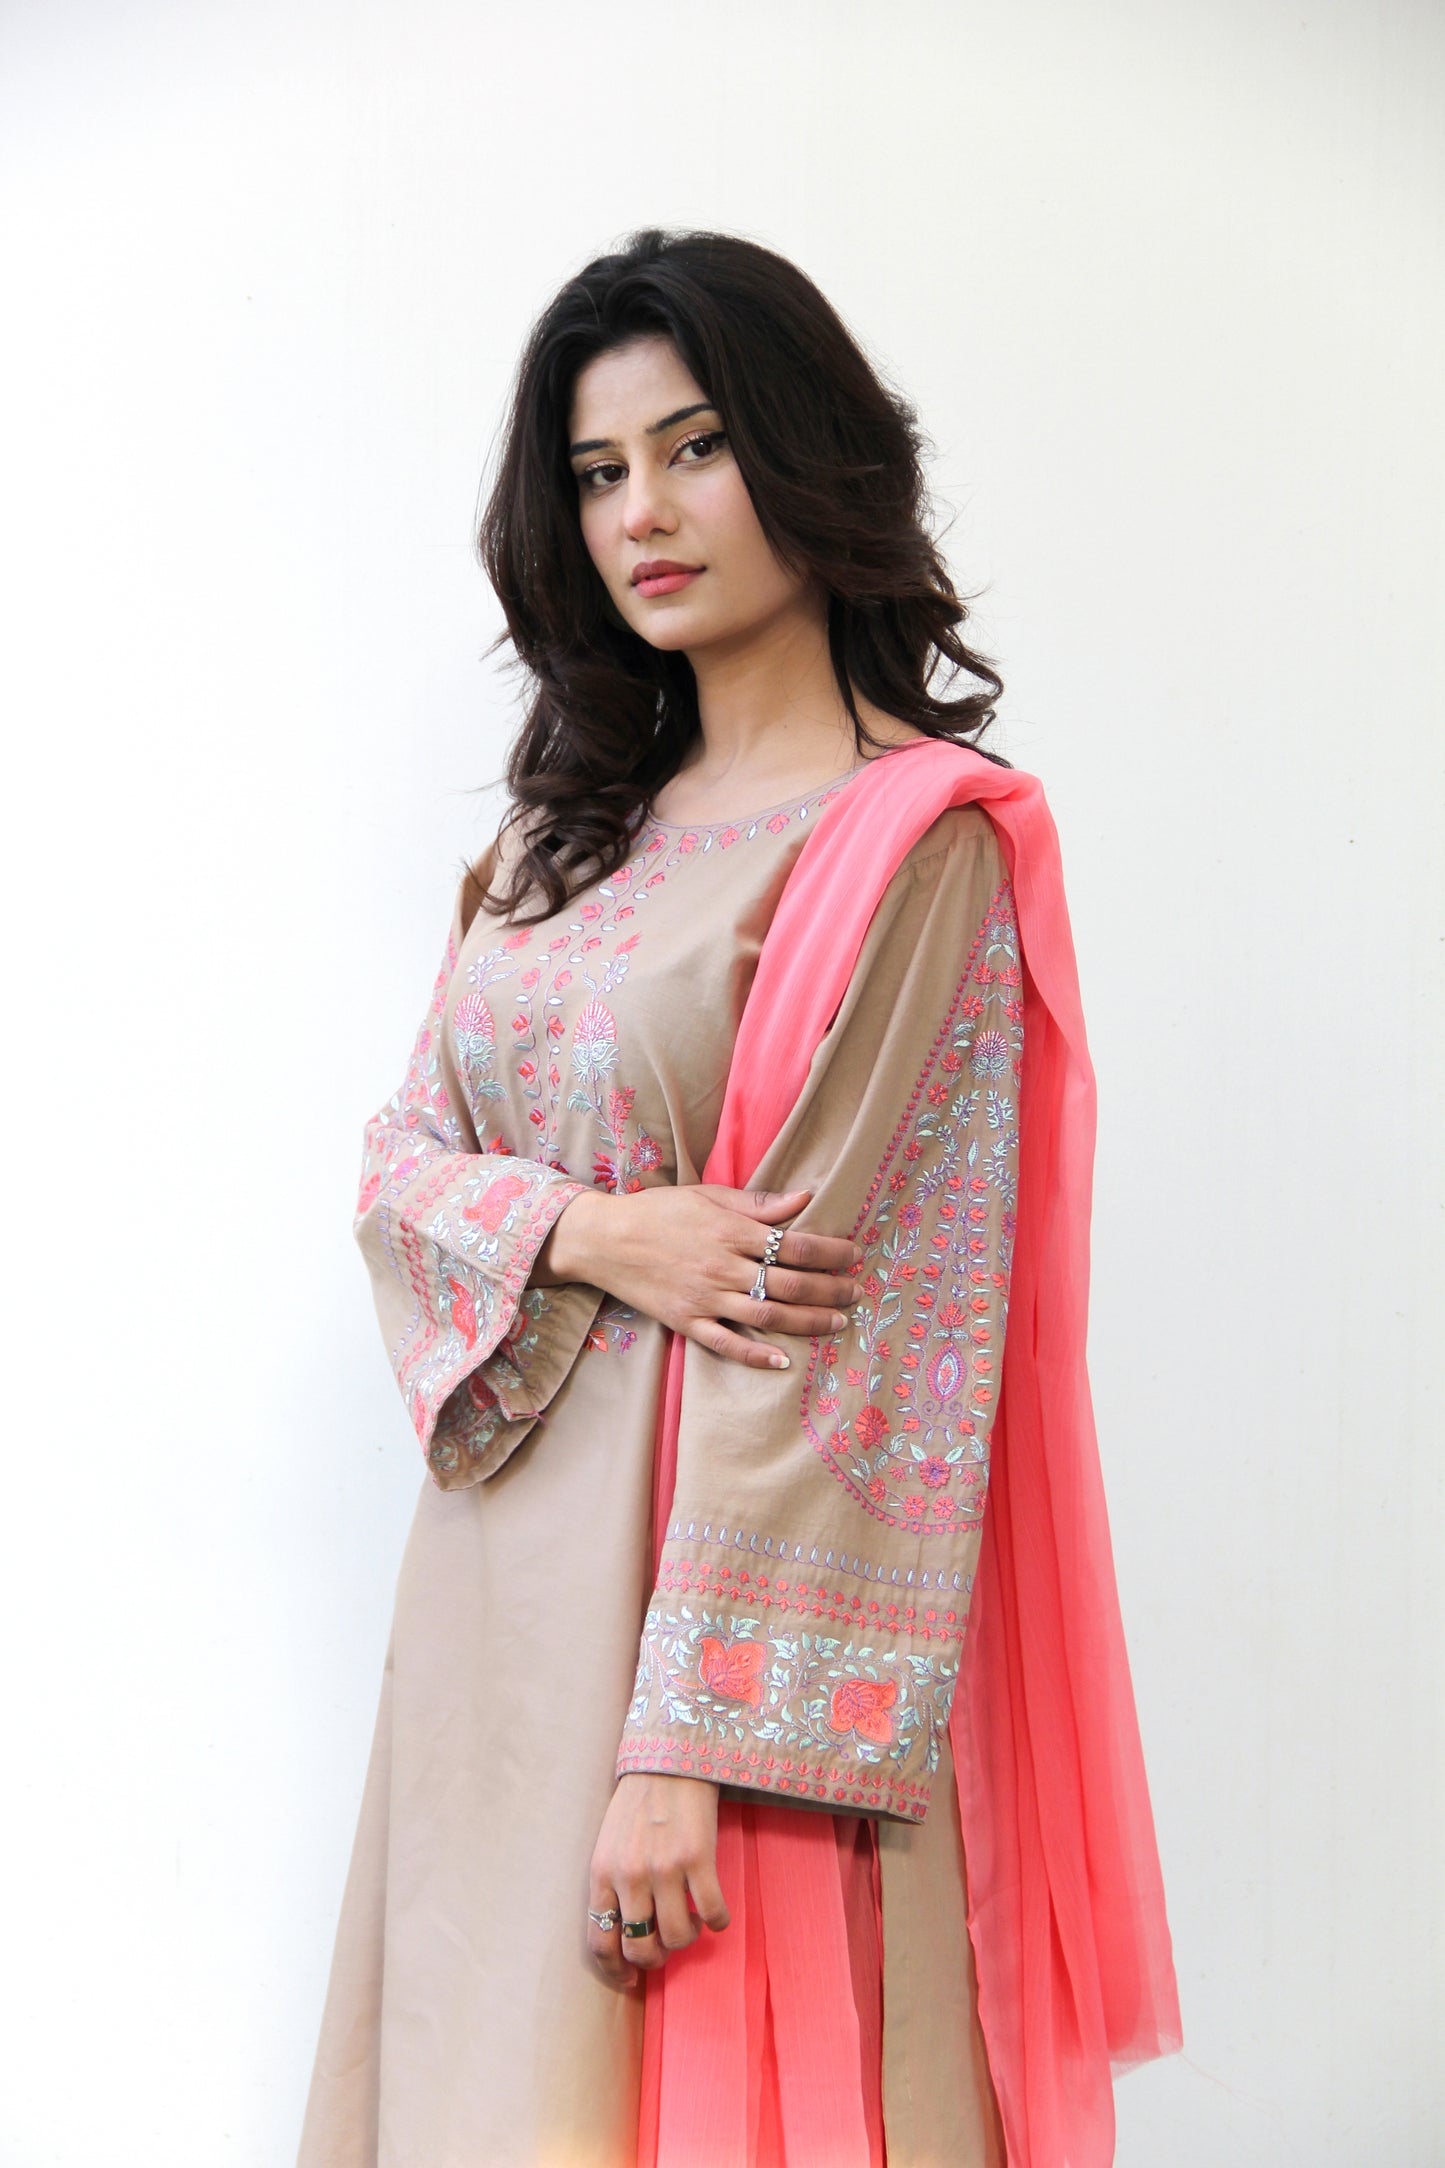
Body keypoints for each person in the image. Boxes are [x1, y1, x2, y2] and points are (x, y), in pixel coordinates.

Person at [295, 227, 1179, 2168]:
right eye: (599, 475)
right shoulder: (558, 837)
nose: (643, 515)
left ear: (808, 452)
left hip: (711, 1681)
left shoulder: (916, 841)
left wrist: (685, 1754)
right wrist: (597, 1227)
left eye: (692, 449)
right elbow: (396, 1165)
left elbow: (854, 1330)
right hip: (490, 1634)